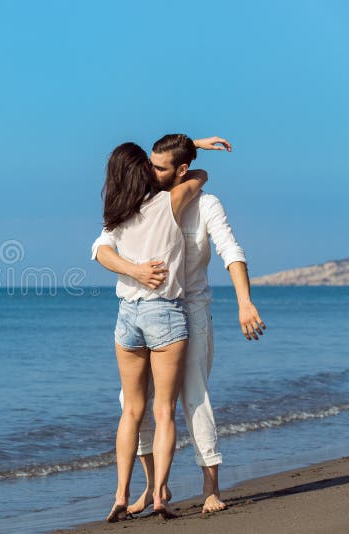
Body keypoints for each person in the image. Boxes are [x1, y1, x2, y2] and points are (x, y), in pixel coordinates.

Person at [93, 134, 266, 517]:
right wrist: (135, 270)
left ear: (180, 170)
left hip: (191, 311)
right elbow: (101, 246)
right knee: (133, 404)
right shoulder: (141, 200)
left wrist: (244, 302)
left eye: (159, 167)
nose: (150, 172)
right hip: (151, 310)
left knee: (193, 397)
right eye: (149, 164)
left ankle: (210, 487)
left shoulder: (205, 204)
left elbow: (231, 252)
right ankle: (158, 488)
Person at [99, 142, 209, 522]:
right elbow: (199, 175)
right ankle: (160, 494)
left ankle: (119, 496)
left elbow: (99, 252)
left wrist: (132, 270)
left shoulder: (117, 215)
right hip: (164, 313)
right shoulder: (170, 202)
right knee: (163, 411)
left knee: (131, 411)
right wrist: (192, 147)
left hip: (126, 316)